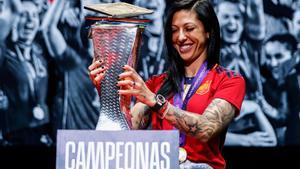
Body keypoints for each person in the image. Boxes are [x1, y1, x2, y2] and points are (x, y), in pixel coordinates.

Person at [89, 0, 245, 168]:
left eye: (189, 29)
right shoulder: (157, 83)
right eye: (174, 31)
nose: (181, 37)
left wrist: (156, 102)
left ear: (208, 31)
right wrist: (110, 93)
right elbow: (128, 132)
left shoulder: (229, 80)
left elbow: (206, 128)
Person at [216, 0, 277, 147]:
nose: (232, 22)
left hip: (255, 122)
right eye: (226, 17)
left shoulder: (250, 48)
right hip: (224, 132)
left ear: (244, 24)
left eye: (237, 17)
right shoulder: (205, 52)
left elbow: (255, 6)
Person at [0, 0, 52, 146]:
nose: (30, 20)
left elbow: (51, 25)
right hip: (15, 136)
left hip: (43, 132)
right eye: (24, 15)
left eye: (35, 15)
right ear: (14, 20)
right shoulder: (4, 52)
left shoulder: (40, 51)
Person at [260, 33, 300, 145]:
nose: (272, 63)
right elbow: (282, 117)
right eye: (268, 57)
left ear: (295, 56)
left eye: (279, 56)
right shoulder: (270, 84)